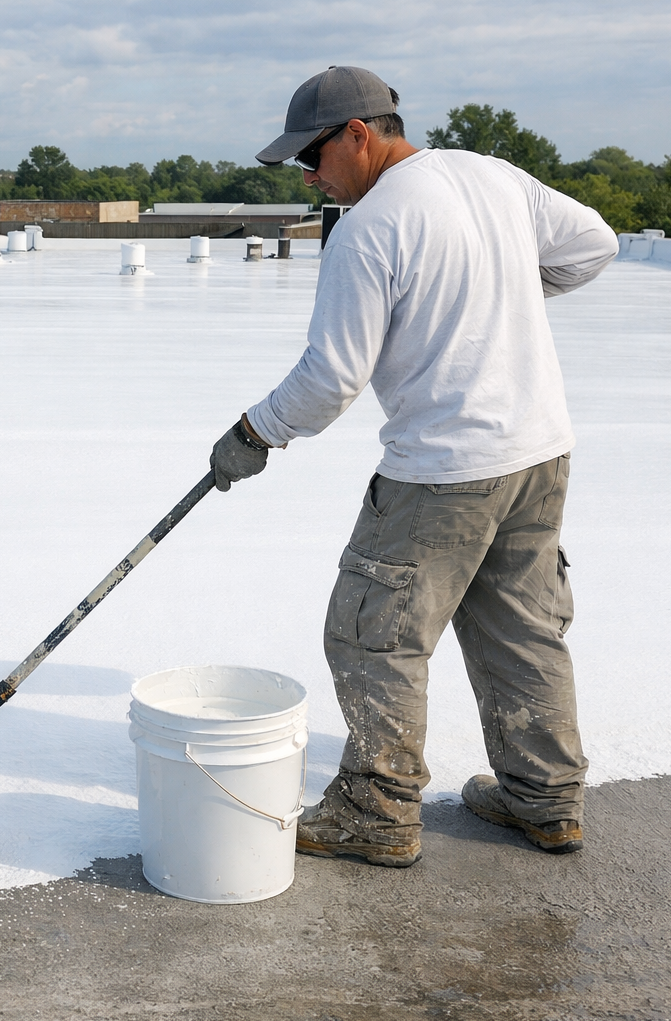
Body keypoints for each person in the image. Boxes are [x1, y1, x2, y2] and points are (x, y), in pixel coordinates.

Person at [208, 66, 618, 867]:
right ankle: (544, 799)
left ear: (358, 134)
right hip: (538, 452)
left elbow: (330, 378)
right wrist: (500, 290)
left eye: (312, 155)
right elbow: (594, 244)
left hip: (443, 471)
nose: (307, 174)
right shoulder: (489, 176)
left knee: (372, 635)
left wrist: (254, 433)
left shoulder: (367, 230)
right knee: (520, 627)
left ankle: (376, 809)